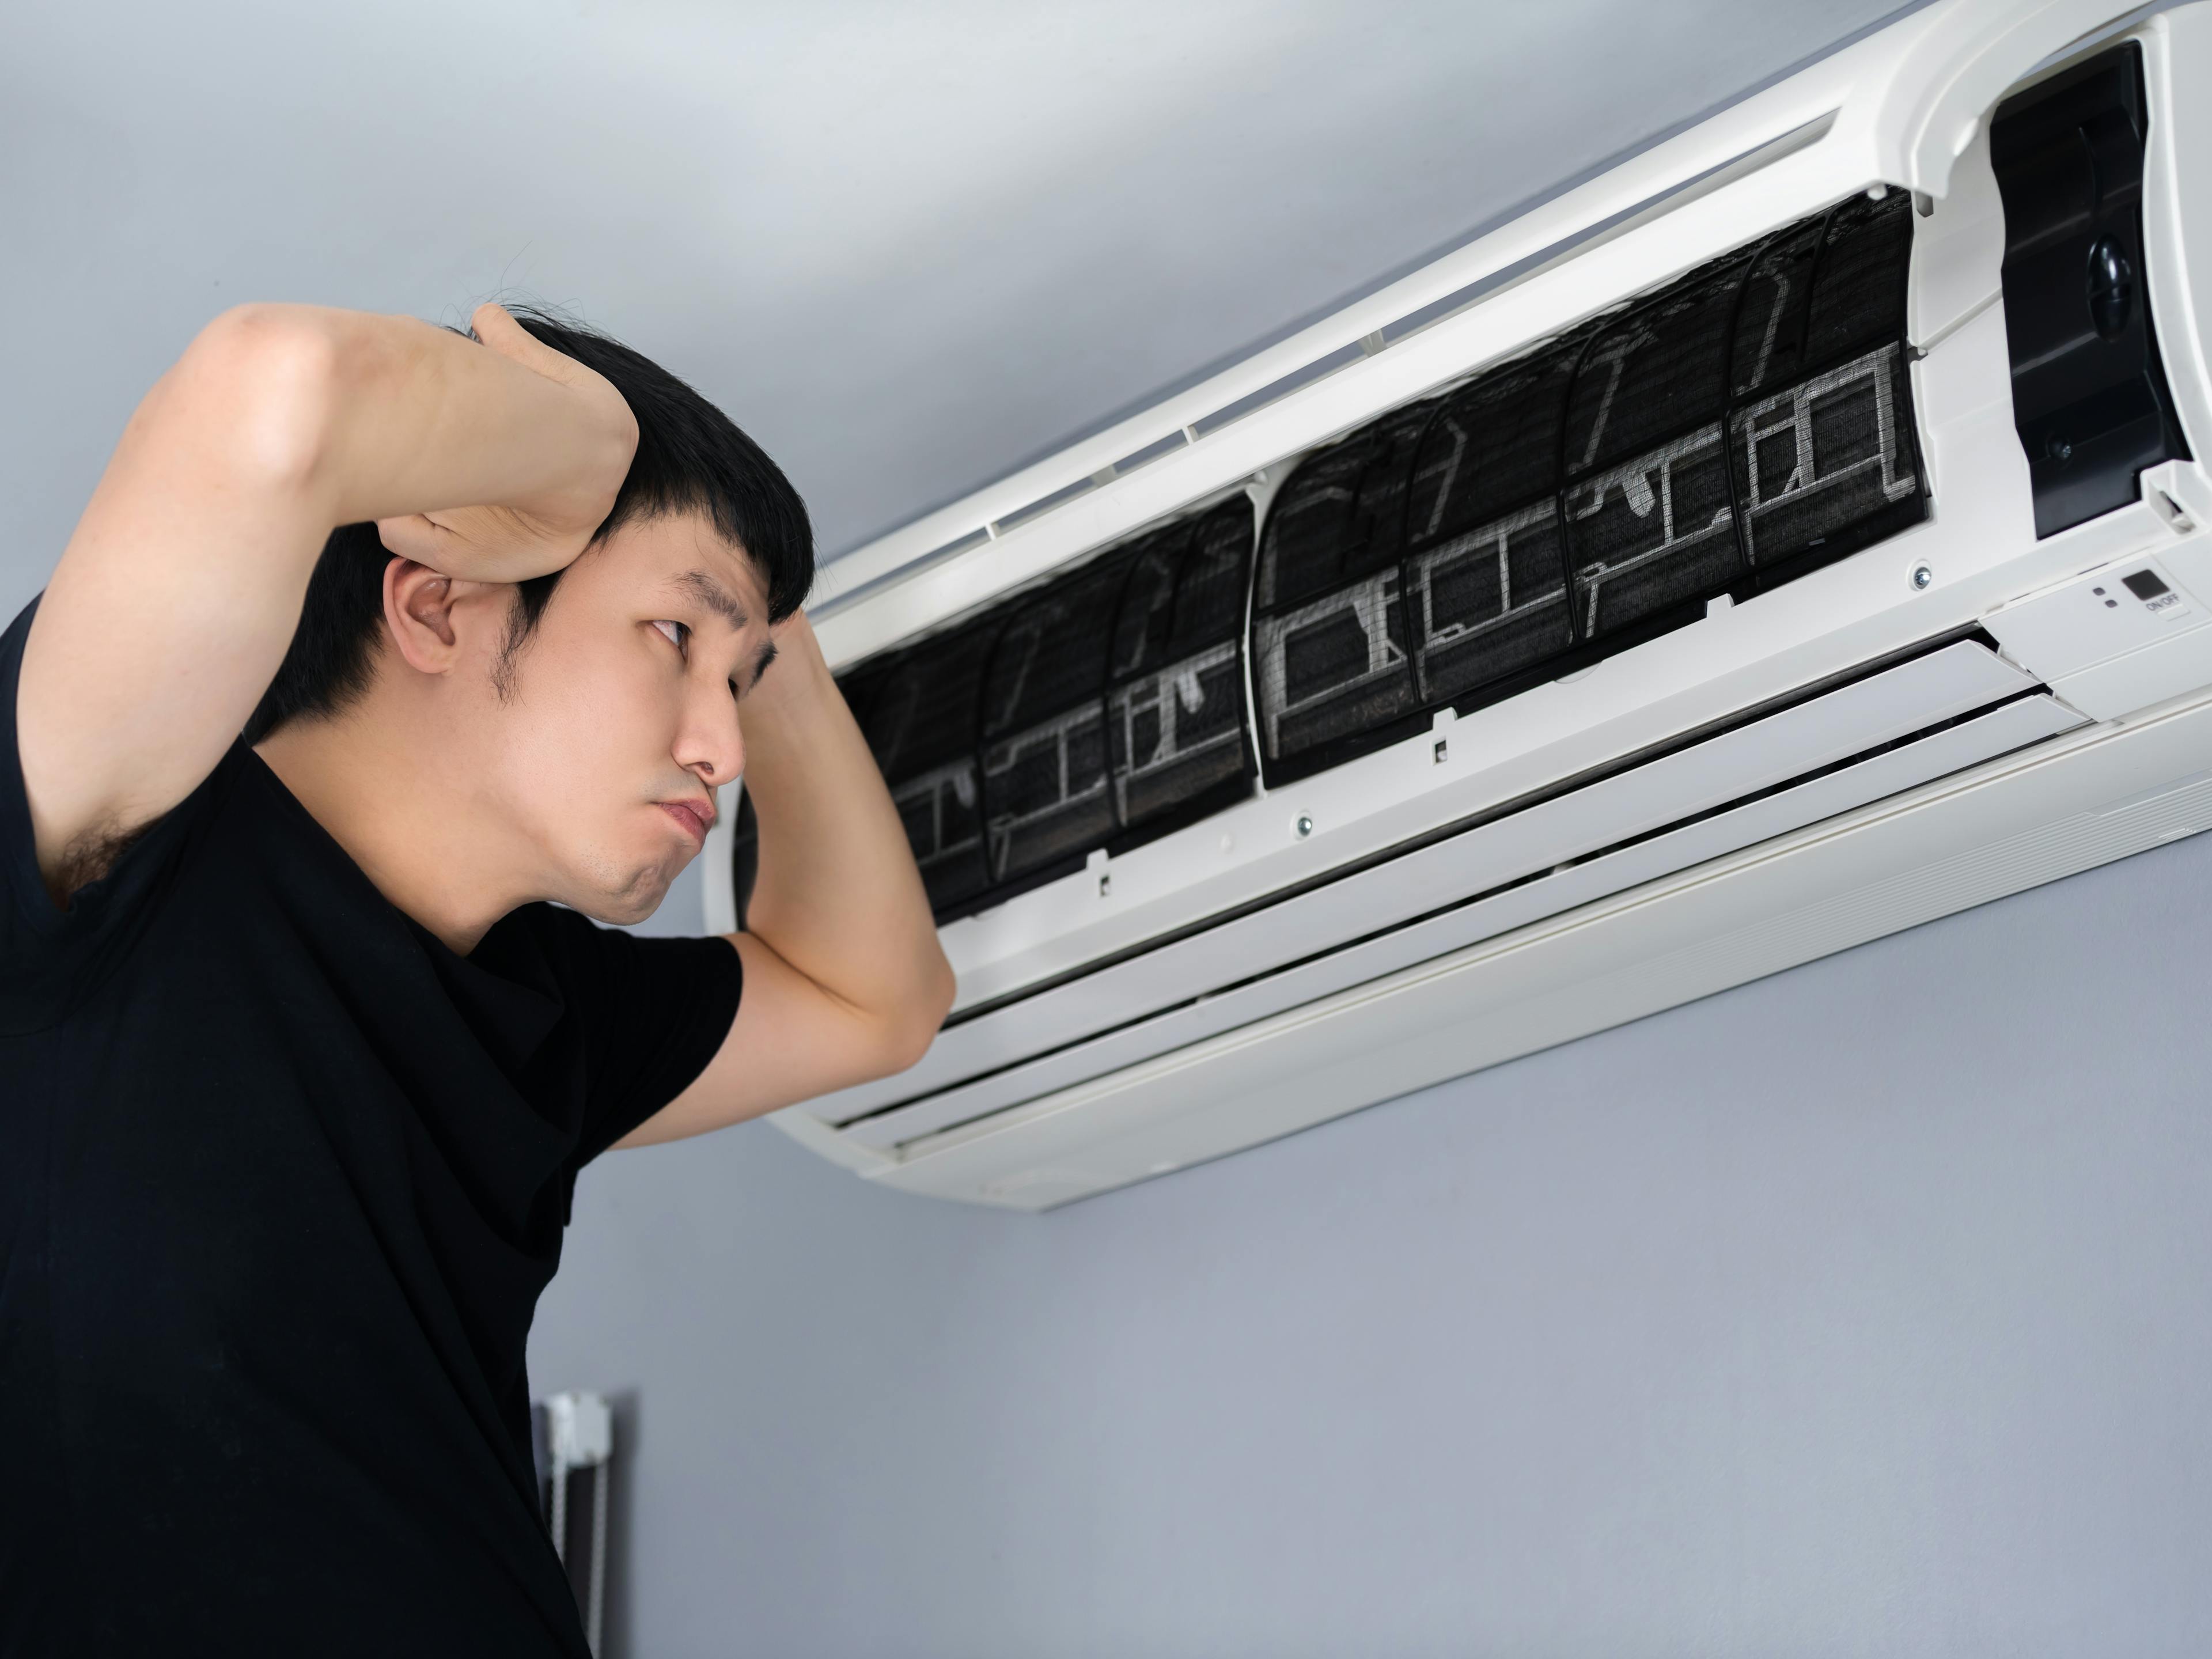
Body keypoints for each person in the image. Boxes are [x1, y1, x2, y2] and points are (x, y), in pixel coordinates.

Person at [0, 301, 955, 1654]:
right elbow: (275, 388)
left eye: (736, 684)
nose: (723, 748)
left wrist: (753, 619)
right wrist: (593, 444)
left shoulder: (547, 1013)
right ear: (436, 602)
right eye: (672, 640)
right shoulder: (127, 842)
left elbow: (880, 998)